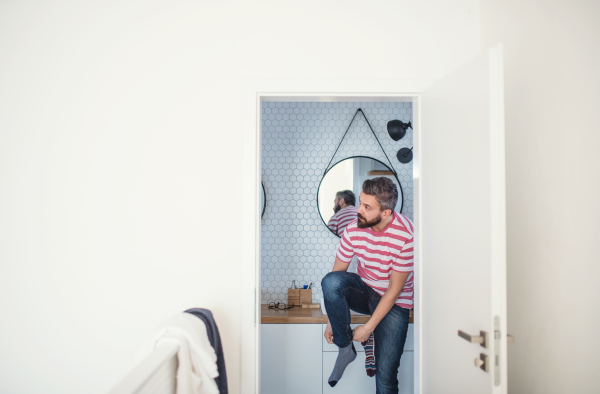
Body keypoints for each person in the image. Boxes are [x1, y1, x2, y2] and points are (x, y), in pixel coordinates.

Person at [321, 177, 413, 394]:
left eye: (367, 207)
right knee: (330, 280)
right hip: (365, 290)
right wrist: (332, 320)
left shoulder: (407, 235)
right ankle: (345, 350)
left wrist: (368, 328)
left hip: (395, 301)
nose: (358, 210)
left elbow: (394, 290)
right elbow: (336, 275)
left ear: (386, 213)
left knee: (386, 377)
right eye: (360, 202)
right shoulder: (353, 229)